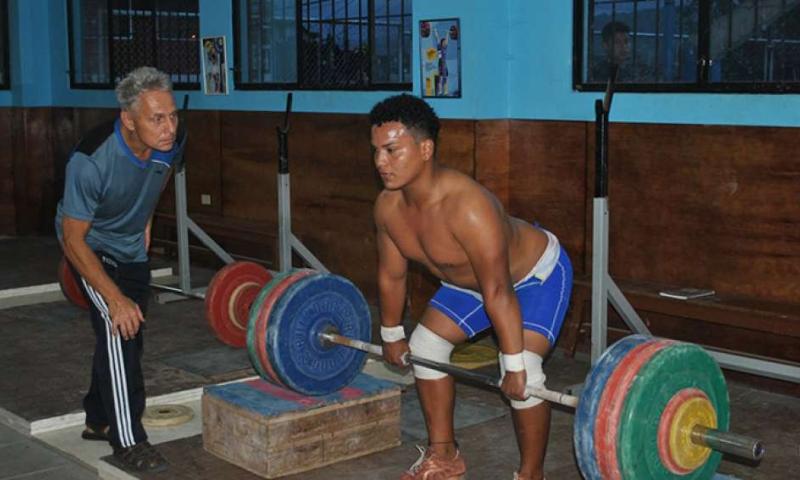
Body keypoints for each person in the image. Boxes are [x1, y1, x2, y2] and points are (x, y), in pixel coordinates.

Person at [369, 94, 573, 480]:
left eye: (392, 150)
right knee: (425, 347)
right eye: (376, 150)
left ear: (425, 149)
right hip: (471, 284)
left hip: (533, 278)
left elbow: (498, 291)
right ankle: (444, 455)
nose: (381, 161)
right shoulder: (388, 208)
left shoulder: (468, 207)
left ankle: (531, 475)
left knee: (526, 373)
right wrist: (391, 333)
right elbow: (392, 275)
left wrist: (513, 365)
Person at [55, 66, 181, 473]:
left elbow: (157, 179)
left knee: (130, 337)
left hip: (130, 246)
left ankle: (97, 417)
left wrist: (144, 218)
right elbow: (73, 238)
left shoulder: (170, 144)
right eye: (156, 119)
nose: (169, 128)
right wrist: (114, 297)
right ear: (128, 119)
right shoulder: (91, 159)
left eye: (172, 116)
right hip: (89, 246)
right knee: (119, 329)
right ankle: (128, 440)